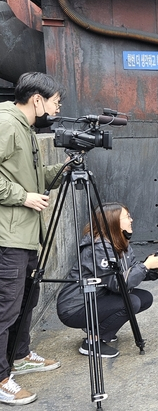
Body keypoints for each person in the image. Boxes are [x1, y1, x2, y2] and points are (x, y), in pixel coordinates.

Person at [0, 72, 67, 406]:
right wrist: (21, 196)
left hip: (24, 235)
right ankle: (0, 378)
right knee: (6, 306)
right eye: (55, 102)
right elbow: (22, 188)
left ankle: (20, 355)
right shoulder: (7, 124)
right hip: (8, 235)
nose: (56, 109)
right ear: (37, 99)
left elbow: (37, 179)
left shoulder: (25, 129)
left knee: (26, 299)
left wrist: (68, 166)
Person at [57, 203, 158, 358]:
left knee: (144, 298)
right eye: (127, 217)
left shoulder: (119, 241)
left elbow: (130, 271)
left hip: (98, 297)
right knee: (132, 302)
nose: (131, 220)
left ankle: (104, 328)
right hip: (75, 307)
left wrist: (154, 269)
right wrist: (145, 267)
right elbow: (117, 284)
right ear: (113, 223)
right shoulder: (98, 248)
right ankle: (92, 342)